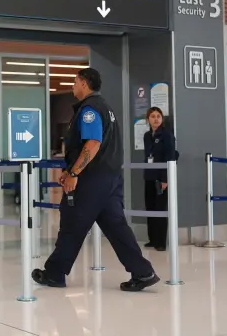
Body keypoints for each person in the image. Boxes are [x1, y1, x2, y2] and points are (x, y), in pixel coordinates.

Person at [32, 68, 159, 292]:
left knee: (72, 224)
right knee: (116, 226)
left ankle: (54, 273)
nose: (72, 87)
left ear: (83, 83)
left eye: (74, 82)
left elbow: (93, 143)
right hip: (109, 179)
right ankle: (143, 272)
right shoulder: (106, 108)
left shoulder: (89, 109)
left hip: (91, 181)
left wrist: (73, 173)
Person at [143, 107, 176, 251]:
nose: (155, 119)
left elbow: (170, 156)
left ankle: (161, 241)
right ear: (148, 119)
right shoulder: (146, 136)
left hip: (161, 177)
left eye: (158, 116)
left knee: (160, 208)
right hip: (149, 176)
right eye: (152, 116)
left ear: (162, 119)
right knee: (150, 207)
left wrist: (165, 179)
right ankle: (152, 239)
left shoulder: (167, 135)